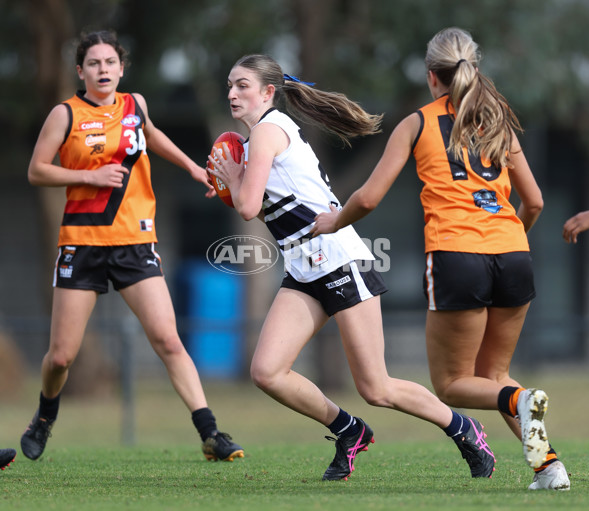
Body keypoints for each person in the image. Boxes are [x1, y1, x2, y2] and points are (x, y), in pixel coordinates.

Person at [207, 53, 496, 481]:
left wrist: (233, 181)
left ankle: (463, 427)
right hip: (305, 269)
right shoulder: (255, 144)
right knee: (267, 372)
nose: (232, 93)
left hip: (340, 261)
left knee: (376, 387)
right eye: (230, 85)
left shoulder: (269, 130)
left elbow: (247, 206)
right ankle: (348, 430)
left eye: (242, 85)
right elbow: (257, 199)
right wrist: (233, 180)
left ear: (268, 92)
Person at [311, 27, 570, 491]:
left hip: (458, 257)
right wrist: (507, 242)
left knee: (452, 385)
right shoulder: (499, 123)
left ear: (432, 77)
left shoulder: (418, 122)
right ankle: (547, 465)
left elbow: (368, 198)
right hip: (513, 254)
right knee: (496, 378)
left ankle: (526, 404)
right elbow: (535, 203)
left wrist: (334, 221)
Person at [21, 30, 243, 463]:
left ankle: (211, 433)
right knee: (62, 356)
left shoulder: (135, 104)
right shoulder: (64, 114)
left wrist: (194, 168)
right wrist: (87, 176)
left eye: (110, 63)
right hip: (82, 243)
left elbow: (152, 135)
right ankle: (45, 417)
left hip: (136, 242)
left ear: (121, 69)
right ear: (80, 71)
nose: (103, 70)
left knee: (168, 339)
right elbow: (37, 171)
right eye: (94, 64)